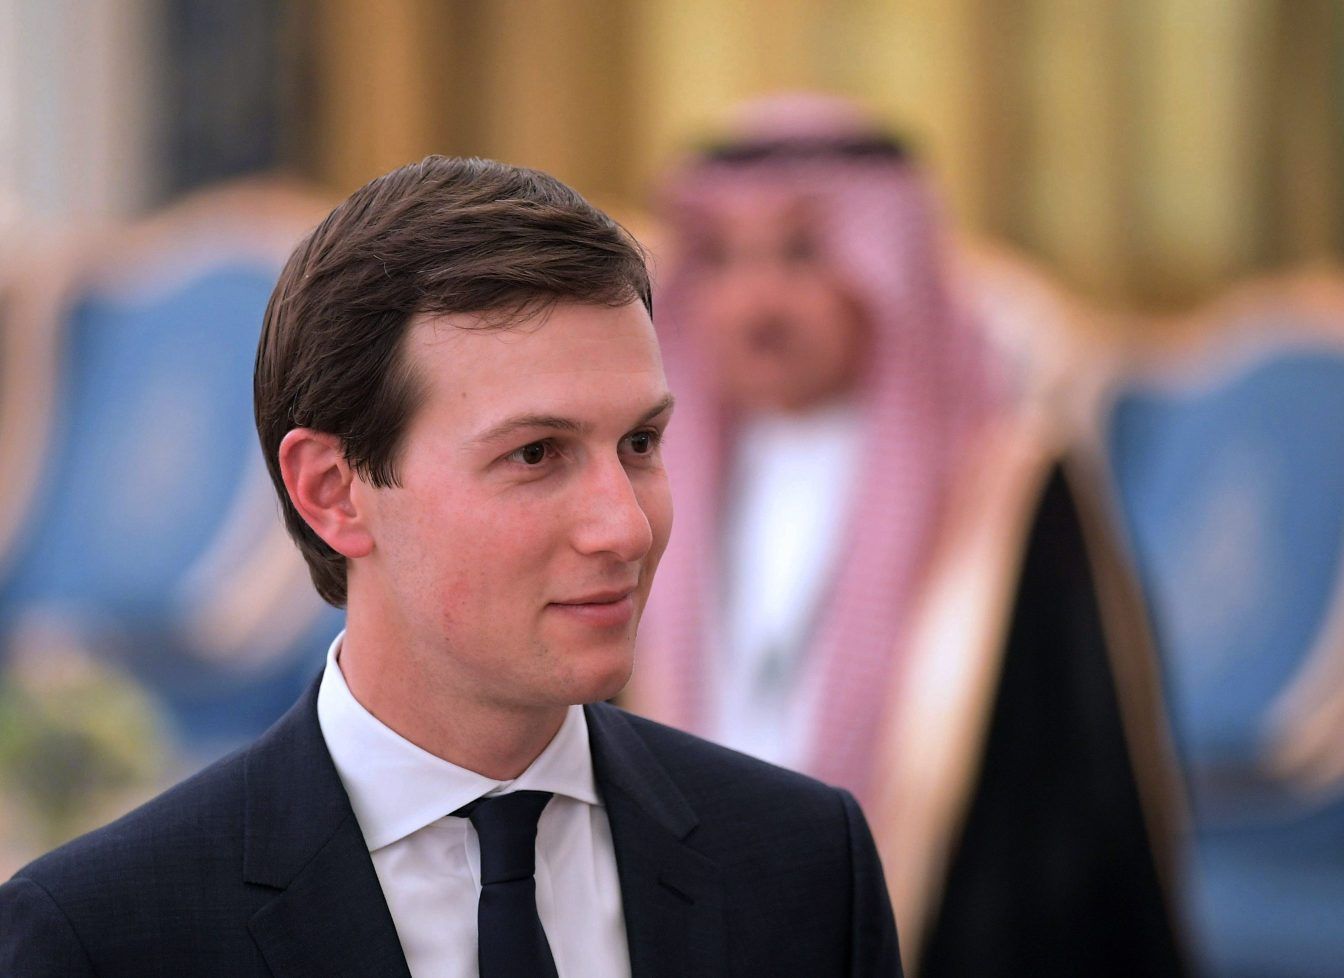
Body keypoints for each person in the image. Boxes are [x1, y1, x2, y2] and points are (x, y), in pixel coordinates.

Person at [0, 156, 903, 977]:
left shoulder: (806, 864)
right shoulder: (101, 937)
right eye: (536, 454)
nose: (625, 529)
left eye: (639, 443)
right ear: (332, 492)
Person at [628, 95, 1190, 976]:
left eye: (802, 255)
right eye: (724, 260)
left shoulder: (1005, 493)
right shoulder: (646, 477)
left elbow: (1063, 827)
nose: (756, 304)